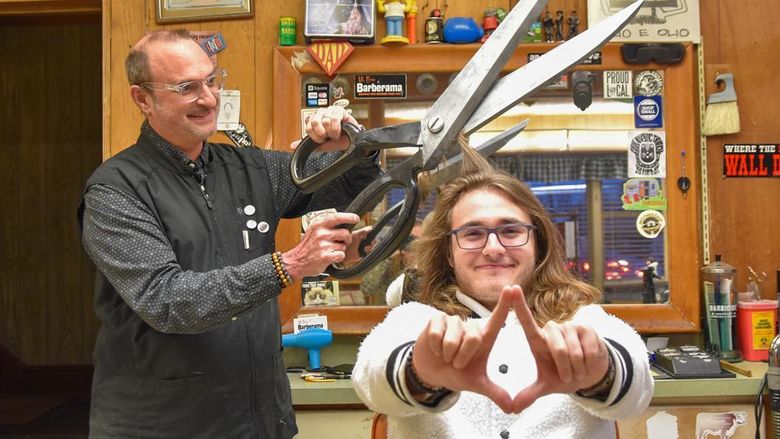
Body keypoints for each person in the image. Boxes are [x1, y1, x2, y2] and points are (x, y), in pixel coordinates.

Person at [78, 29, 381, 438]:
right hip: (159, 425)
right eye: (187, 87)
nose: (207, 98)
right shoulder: (116, 190)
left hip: (257, 421)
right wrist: (288, 265)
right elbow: (167, 301)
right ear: (142, 99)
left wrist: (353, 150)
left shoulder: (254, 168)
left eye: (212, 80)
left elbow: (348, 188)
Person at [352, 144, 653, 438]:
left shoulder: (581, 320)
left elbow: (638, 389)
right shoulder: (416, 320)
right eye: (473, 233)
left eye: (510, 231)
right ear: (448, 253)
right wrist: (419, 373)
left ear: (538, 245)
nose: (493, 249)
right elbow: (370, 379)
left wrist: (601, 373)